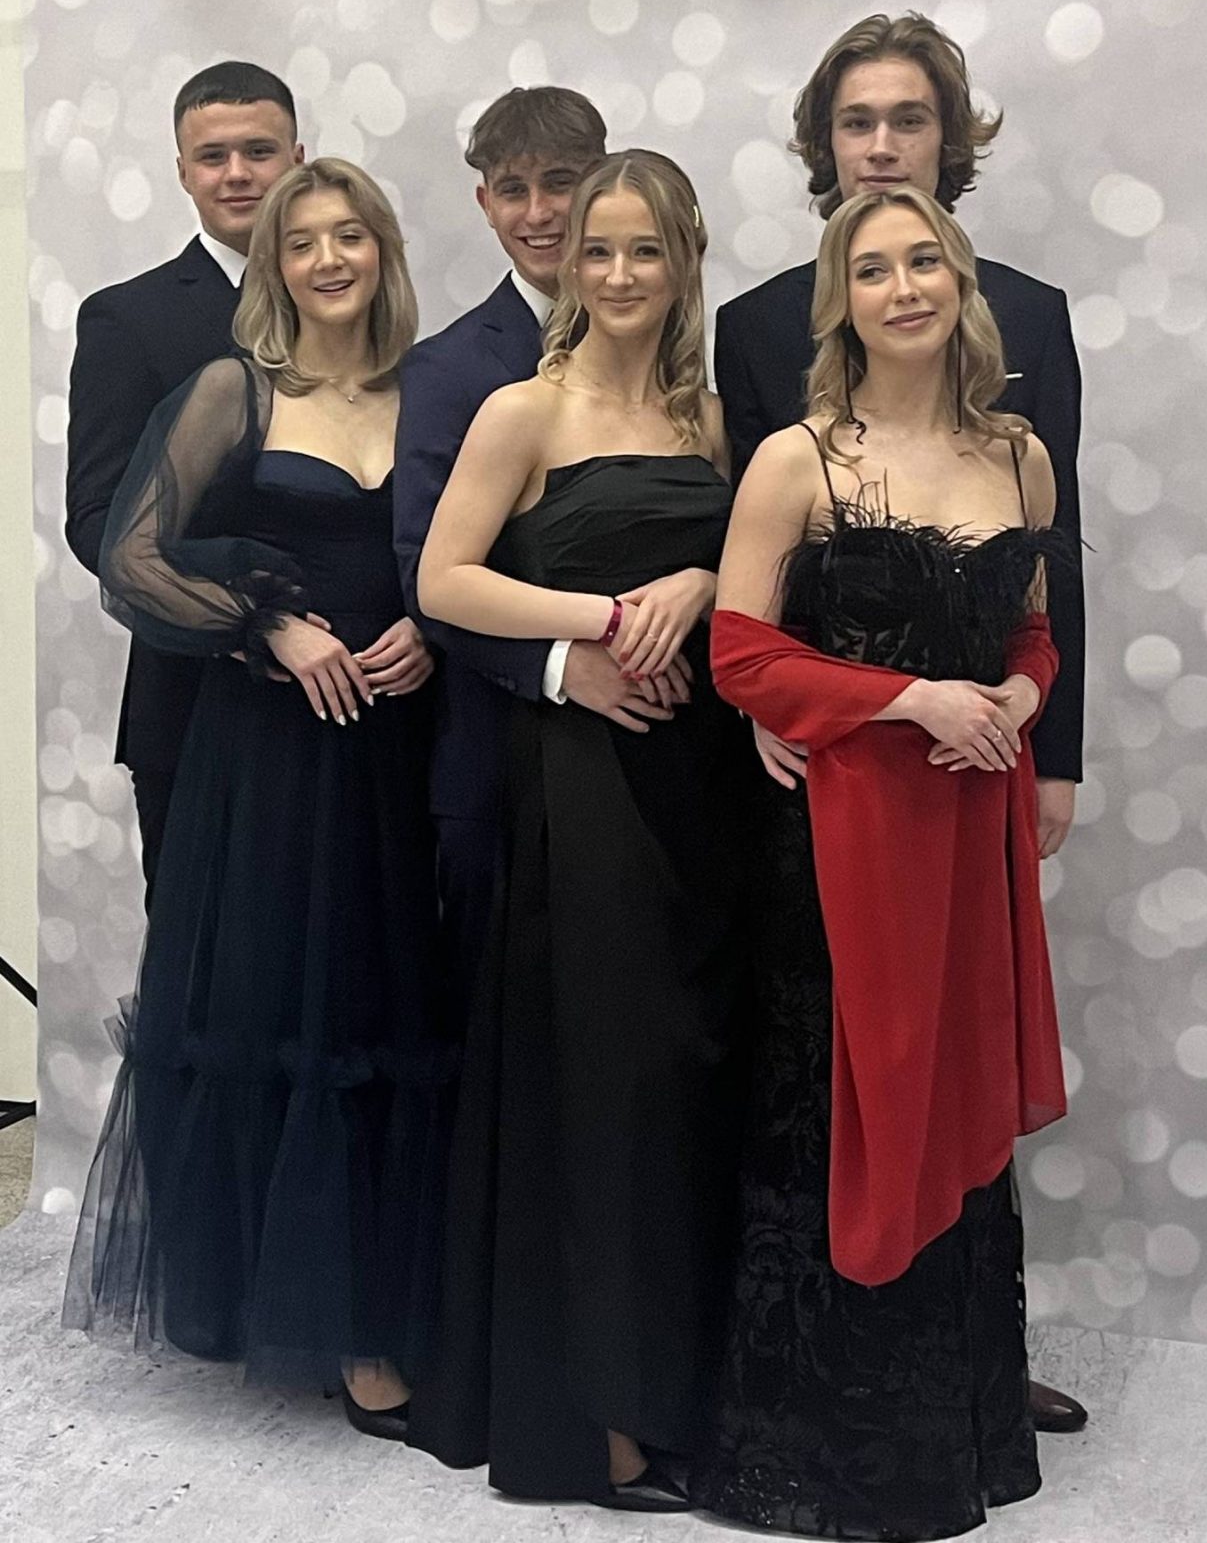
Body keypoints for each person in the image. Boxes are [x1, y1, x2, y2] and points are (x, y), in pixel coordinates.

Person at [713, 12, 1087, 1435]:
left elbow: (1042, 590)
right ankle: (831, 1394)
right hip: (835, 789)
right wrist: (785, 711)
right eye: (856, 121)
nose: (880, 145)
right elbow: (750, 601)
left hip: (977, 786)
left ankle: (964, 1376)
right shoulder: (758, 340)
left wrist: (1040, 730)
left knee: (962, 1060)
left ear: (949, 145)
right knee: (839, 1071)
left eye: (908, 119)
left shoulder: (1027, 365)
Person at [63, 159, 455, 1442]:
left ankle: (383, 1304)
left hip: (397, 748)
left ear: (383, 251)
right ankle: (319, 1322)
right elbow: (132, 558)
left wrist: (429, 633)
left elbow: (467, 555)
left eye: (351, 236)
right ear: (274, 267)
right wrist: (267, 625)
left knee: (388, 1002)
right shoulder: (237, 388)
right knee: (290, 1002)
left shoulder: (430, 392)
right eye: (303, 242)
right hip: (272, 756)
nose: (330, 259)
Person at [411, 150, 746, 1510]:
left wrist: (698, 577)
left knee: (690, 1077)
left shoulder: (711, 419)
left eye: (641, 251)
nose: (614, 273)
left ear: (683, 262)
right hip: (583, 777)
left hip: (707, 782)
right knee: (602, 1084)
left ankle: (681, 1387)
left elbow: (758, 559)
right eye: (596, 249)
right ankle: (594, 1422)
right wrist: (598, 623)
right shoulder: (523, 408)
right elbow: (444, 581)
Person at [395, 87, 682, 1010]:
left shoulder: (677, 359)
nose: (538, 212)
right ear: (484, 204)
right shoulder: (448, 369)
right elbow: (423, 572)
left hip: (668, 746)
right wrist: (559, 664)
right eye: (512, 190)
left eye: (560, 182)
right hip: (503, 754)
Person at [65, 62, 304, 896]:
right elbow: (97, 520)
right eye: (213, 156)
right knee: (202, 955)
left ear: (298, 159)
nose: (237, 173)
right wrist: (248, 619)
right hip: (195, 701)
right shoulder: (128, 318)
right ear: (181, 172)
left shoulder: (353, 301)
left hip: (357, 699)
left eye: (259, 151)